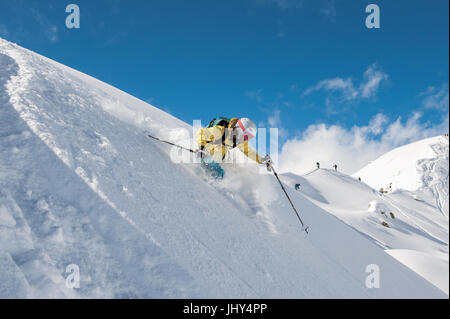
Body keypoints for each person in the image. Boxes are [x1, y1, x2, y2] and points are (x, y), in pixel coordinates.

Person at [196, 117, 271, 179]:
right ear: (240, 130)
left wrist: (262, 160)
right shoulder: (221, 130)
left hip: (214, 158)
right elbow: (201, 133)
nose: (246, 139)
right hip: (203, 155)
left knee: (225, 174)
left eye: (249, 137)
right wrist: (201, 148)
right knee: (219, 174)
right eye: (246, 136)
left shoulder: (238, 140)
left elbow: (249, 152)